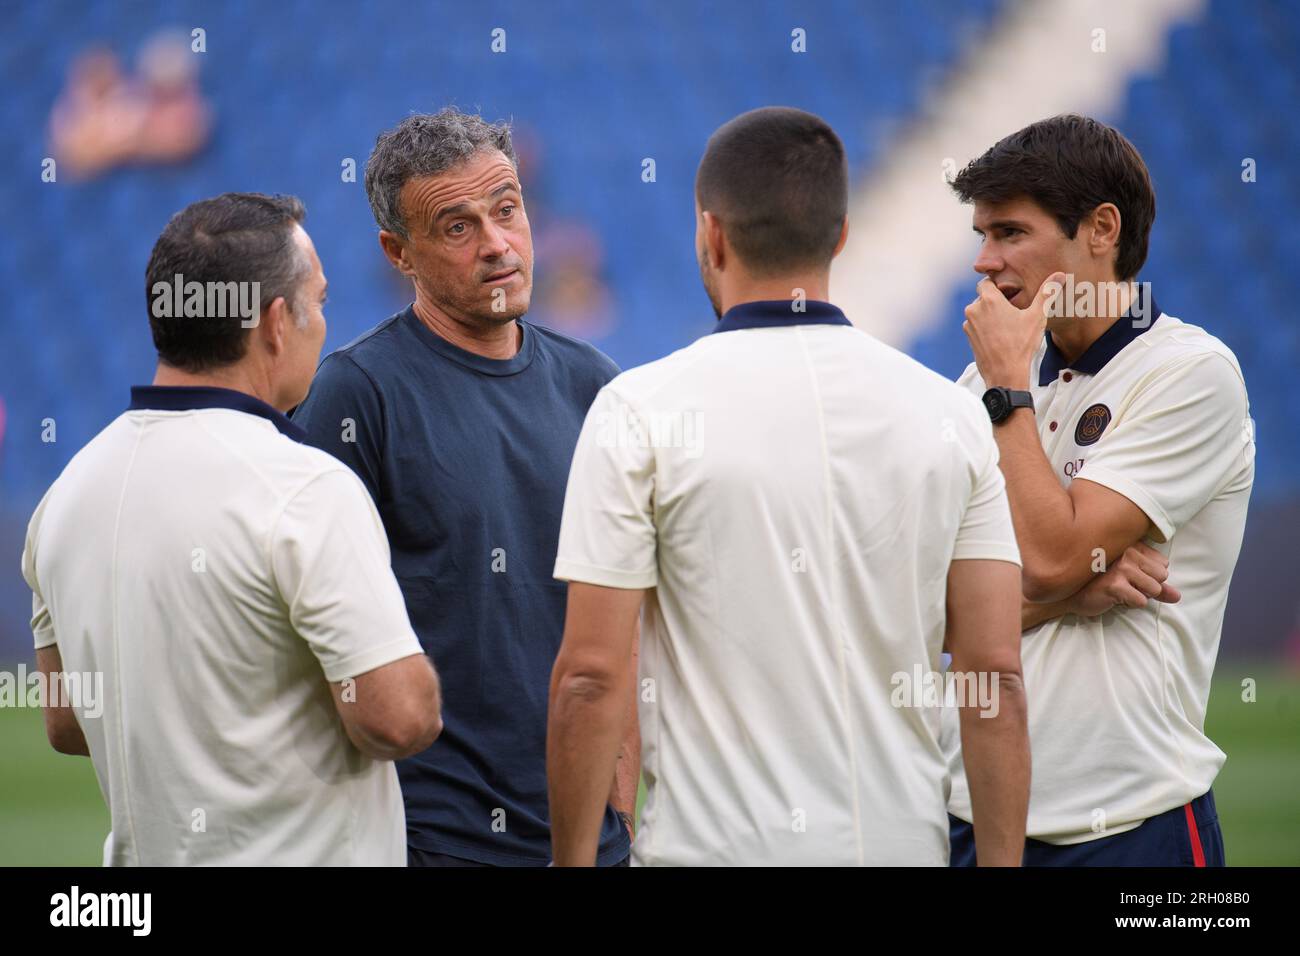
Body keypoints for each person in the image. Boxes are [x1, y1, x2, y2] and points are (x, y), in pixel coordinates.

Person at [546, 106, 1030, 866]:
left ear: (710, 234)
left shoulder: (639, 411)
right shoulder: (952, 416)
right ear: (840, 236)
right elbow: (994, 677)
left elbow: (591, 677)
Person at [21, 192, 441, 866]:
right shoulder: (306, 487)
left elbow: (68, 721)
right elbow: (398, 718)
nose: (324, 323)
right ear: (276, 322)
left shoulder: (66, 495)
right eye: (321, 300)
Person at [292, 109, 634, 867]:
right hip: (430, 843)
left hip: (592, 843)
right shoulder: (355, 398)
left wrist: (623, 796)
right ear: (398, 253)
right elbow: (307, 633)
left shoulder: (596, 389)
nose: (497, 244)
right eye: (456, 226)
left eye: (507, 210)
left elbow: (624, 621)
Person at [946, 114, 1253, 865]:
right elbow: (924, 615)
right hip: (973, 821)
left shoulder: (1189, 373)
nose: (985, 261)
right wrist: (1071, 589)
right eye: (981, 235)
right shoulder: (977, 386)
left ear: (1101, 229)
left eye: (1011, 232)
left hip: (1130, 827)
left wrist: (1005, 397)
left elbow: (1050, 557)